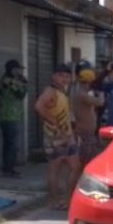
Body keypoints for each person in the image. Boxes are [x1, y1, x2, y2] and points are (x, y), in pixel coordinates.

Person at [35, 63, 79, 210]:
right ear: (54, 76)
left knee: (75, 167)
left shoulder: (62, 92)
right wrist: (54, 123)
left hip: (68, 136)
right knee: (55, 169)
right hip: (54, 137)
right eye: (61, 76)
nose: (64, 79)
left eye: (67, 76)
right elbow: (39, 106)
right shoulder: (50, 91)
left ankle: (67, 200)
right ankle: (54, 202)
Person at [0, 60, 28, 177]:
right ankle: (9, 169)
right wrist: (23, 83)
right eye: (18, 69)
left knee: (9, 144)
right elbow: (20, 93)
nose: (20, 71)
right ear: (13, 70)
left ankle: (7, 168)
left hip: (10, 116)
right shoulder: (8, 81)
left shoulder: (9, 81)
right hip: (9, 117)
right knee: (12, 145)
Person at [72, 60, 105, 165]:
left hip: (88, 132)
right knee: (86, 161)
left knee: (88, 159)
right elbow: (100, 102)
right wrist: (101, 92)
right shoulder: (81, 94)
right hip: (85, 133)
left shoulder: (84, 93)